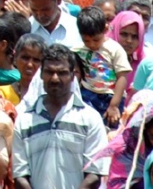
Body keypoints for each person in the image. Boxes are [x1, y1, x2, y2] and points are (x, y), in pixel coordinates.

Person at [8, 44, 104, 189]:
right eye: (49, 72)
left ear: (73, 75)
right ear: (40, 74)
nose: (54, 78)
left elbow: (95, 173)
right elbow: (20, 175)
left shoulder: (90, 118)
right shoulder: (24, 120)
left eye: (62, 73)